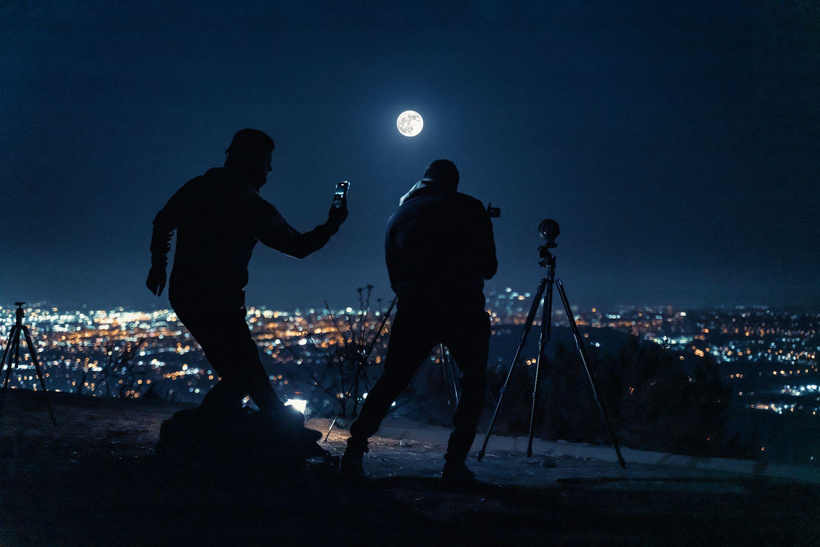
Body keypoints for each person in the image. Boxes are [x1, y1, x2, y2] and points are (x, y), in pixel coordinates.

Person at [146, 128, 348, 444]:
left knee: (243, 369)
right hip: (219, 301)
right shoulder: (249, 206)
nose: (270, 169)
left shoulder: (199, 188)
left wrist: (158, 265)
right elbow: (300, 246)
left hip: (187, 294)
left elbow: (163, 221)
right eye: (266, 161)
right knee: (242, 372)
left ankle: (275, 423)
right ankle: (225, 427)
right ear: (251, 161)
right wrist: (333, 223)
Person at [342, 159, 497, 483]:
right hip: (462, 307)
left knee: (392, 380)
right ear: (454, 182)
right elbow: (489, 266)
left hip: (415, 308)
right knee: (473, 383)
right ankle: (454, 463)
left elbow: (394, 274)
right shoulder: (469, 208)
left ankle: (354, 449)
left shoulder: (399, 214)